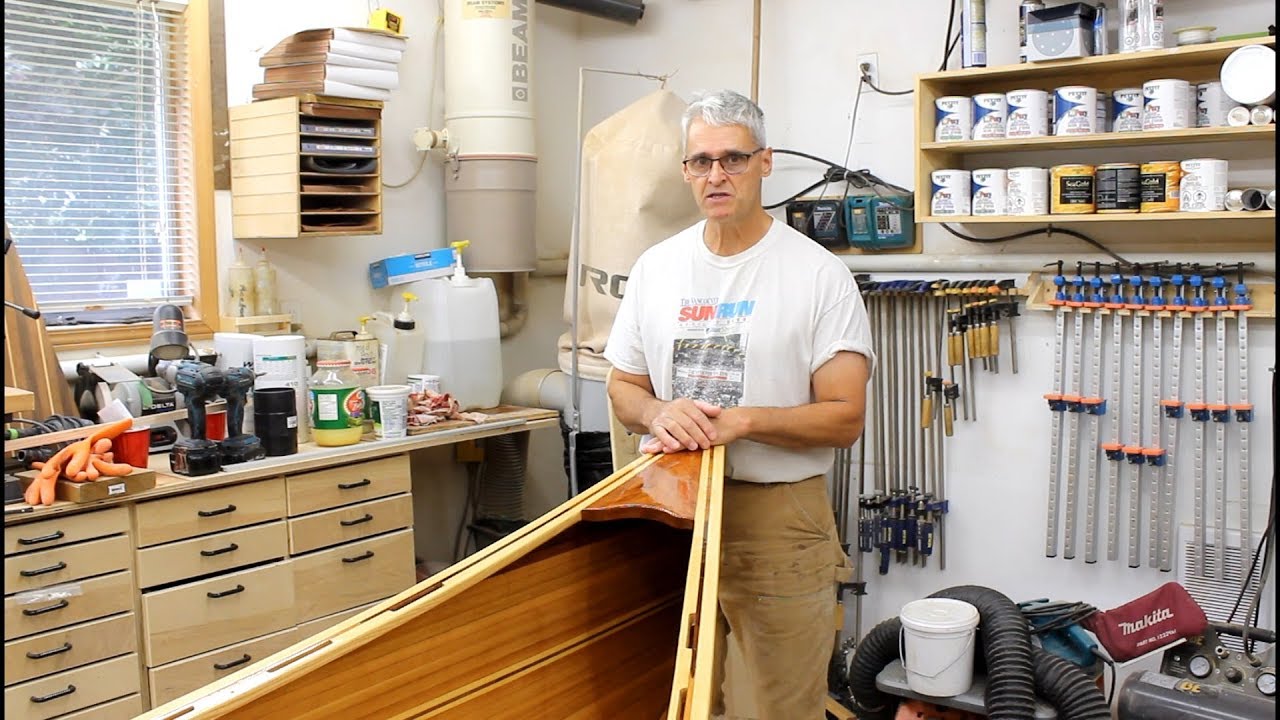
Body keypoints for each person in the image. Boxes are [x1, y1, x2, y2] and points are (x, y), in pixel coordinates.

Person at [603, 89, 875, 719]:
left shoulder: (817, 274)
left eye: (732, 158)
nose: (716, 175)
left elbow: (845, 416)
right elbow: (623, 387)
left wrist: (745, 421)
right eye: (701, 161)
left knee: (779, 705)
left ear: (764, 162)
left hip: (776, 517)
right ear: (685, 170)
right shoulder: (656, 268)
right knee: (675, 694)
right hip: (670, 507)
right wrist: (656, 413)